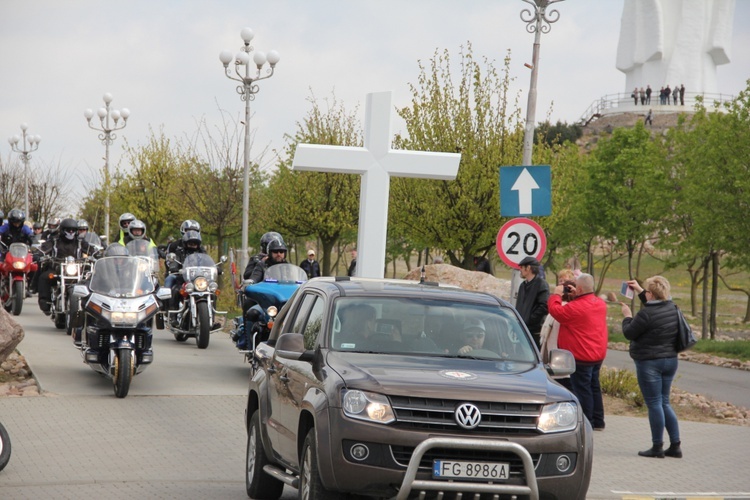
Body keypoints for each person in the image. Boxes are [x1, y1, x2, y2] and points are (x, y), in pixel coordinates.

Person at [620, 276, 682, 459]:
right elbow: (654, 304)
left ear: (651, 294)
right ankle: (675, 445)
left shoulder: (645, 315)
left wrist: (627, 317)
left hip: (649, 362)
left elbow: (629, 332)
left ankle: (657, 447)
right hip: (670, 360)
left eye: (647, 291)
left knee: (654, 403)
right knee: (664, 402)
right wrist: (640, 290)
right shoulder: (672, 308)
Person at [547, 273, 608, 431]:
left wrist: (556, 294)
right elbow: (581, 308)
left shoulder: (575, 308)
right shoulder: (600, 303)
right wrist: (576, 296)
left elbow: (556, 311)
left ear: (579, 288)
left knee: (583, 390)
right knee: (594, 386)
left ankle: (587, 423)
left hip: (581, 356)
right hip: (597, 354)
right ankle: (598, 420)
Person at [37, 218, 97, 315]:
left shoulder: (80, 241)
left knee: (89, 277)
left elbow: (90, 249)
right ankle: (45, 302)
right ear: (62, 230)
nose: (71, 232)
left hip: (76, 269)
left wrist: (97, 254)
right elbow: (44, 248)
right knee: (45, 276)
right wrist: (39, 253)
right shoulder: (55, 240)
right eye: (68, 230)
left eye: (73, 230)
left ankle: (90, 304)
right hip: (57, 268)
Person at [165, 230, 207, 320]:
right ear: (185, 243)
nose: (193, 245)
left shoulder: (202, 252)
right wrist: (174, 267)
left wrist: (215, 268)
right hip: (184, 280)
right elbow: (174, 262)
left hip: (198, 281)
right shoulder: (180, 252)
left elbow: (207, 262)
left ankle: (211, 319)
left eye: (195, 243)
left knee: (212, 293)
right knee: (175, 291)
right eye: (190, 243)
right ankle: (173, 317)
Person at [539, 269, 577, 365]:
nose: (562, 284)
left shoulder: (570, 307)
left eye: (565, 282)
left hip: (559, 354)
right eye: (560, 281)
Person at [515, 256, 549, 348]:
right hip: (522, 330)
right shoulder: (523, 285)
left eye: (521, 267)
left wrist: (530, 320)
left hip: (533, 332)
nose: (520, 270)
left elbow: (544, 306)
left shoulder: (541, 284)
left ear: (528, 268)